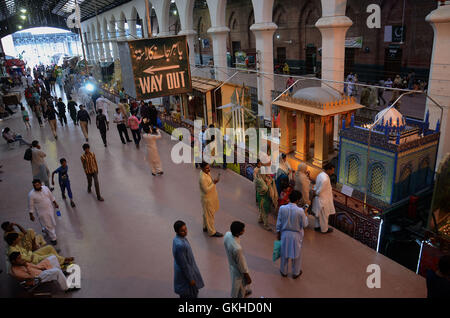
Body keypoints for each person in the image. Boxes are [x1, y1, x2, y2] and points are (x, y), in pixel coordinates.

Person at [276, 190, 308, 278]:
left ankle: (284, 271)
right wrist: (305, 214)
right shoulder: (300, 211)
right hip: (296, 236)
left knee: (284, 254)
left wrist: (278, 234)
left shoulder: (282, 208)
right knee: (296, 255)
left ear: (289, 198)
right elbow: (305, 224)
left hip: (284, 234)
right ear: (298, 200)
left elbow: (279, 223)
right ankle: (296, 272)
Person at [9, 252, 77, 292]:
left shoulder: (19, 263)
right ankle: (66, 288)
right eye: (19, 258)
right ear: (13, 261)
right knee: (56, 271)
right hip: (37, 278)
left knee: (53, 257)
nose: (21, 259)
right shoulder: (16, 272)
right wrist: (26, 265)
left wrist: (41, 267)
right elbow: (31, 278)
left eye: (20, 257)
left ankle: (60, 275)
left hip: (37, 270)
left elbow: (33, 266)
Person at [172, 220, 205, 298]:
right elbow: (184, 265)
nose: (185, 232)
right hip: (186, 272)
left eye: (186, 229)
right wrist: (191, 279)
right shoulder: (180, 245)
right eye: (182, 231)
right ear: (177, 231)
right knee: (189, 293)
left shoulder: (177, 239)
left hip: (187, 268)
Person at [224, 221, 252, 298]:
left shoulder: (227, 235)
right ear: (237, 233)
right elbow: (241, 264)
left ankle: (242, 293)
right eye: (242, 230)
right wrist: (247, 276)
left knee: (240, 285)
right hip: (238, 270)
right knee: (236, 286)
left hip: (231, 264)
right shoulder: (237, 249)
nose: (244, 231)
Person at [28, 179, 59, 245]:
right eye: (35, 185)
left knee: (51, 222)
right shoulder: (31, 194)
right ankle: (54, 239)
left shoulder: (46, 188)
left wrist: (55, 203)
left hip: (50, 209)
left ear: (41, 184)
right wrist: (31, 215)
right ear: (33, 186)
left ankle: (46, 229)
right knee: (49, 224)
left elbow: (51, 196)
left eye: (38, 184)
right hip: (42, 213)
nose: (37, 186)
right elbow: (31, 205)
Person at [198, 162, 223, 237]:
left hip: (209, 197)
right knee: (210, 215)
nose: (209, 169)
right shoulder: (202, 178)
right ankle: (212, 232)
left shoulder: (204, 172)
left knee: (206, 213)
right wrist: (214, 183)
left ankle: (205, 227)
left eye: (209, 167)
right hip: (207, 199)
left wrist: (213, 182)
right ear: (202, 168)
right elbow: (206, 190)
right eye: (207, 168)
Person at [312, 163, 336, 234]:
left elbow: (316, 186)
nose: (333, 172)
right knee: (324, 216)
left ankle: (317, 226)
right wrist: (316, 193)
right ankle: (324, 230)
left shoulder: (320, 174)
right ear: (328, 170)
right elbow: (320, 190)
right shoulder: (325, 179)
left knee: (318, 214)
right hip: (323, 200)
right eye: (332, 170)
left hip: (319, 198)